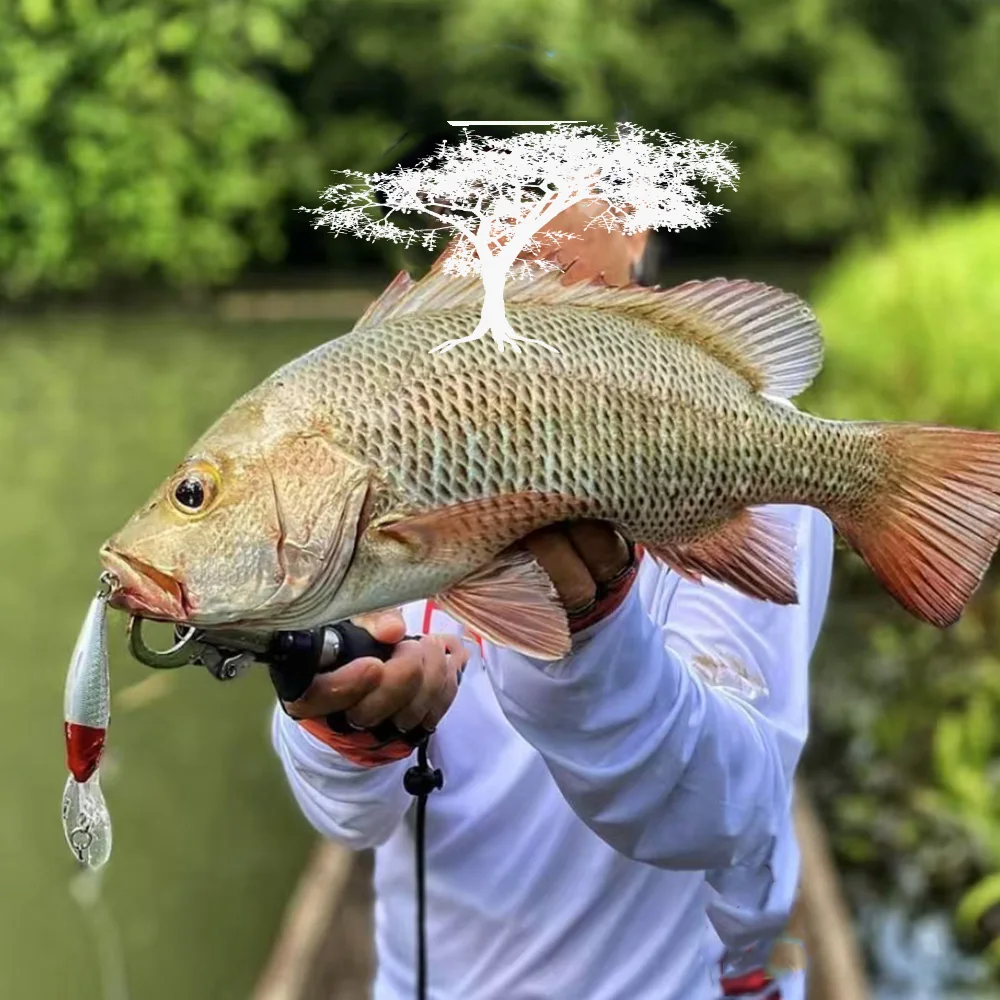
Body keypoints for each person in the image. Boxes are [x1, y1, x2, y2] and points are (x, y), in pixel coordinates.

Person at [269, 206, 835, 1000]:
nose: (508, 229)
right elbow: (351, 821)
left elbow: (728, 818)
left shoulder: (742, 442)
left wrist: (596, 636)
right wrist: (344, 730)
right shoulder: (381, 436)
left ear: (637, 230)